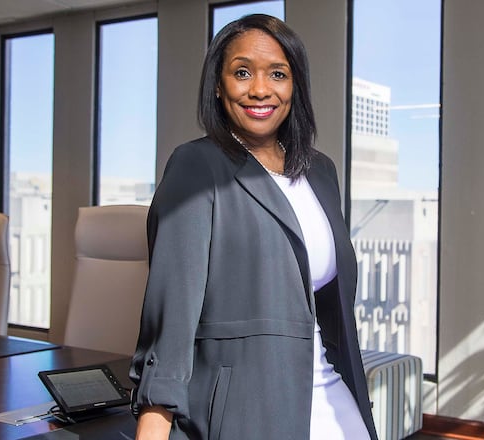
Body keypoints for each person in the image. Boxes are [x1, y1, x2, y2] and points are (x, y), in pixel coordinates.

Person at [130, 14, 378, 440]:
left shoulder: (320, 171)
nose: (260, 89)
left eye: (277, 74)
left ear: (294, 85)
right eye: (242, 72)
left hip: (334, 401)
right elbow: (171, 318)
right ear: (217, 84)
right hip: (247, 413)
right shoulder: (196, 166)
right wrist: (154, 422)